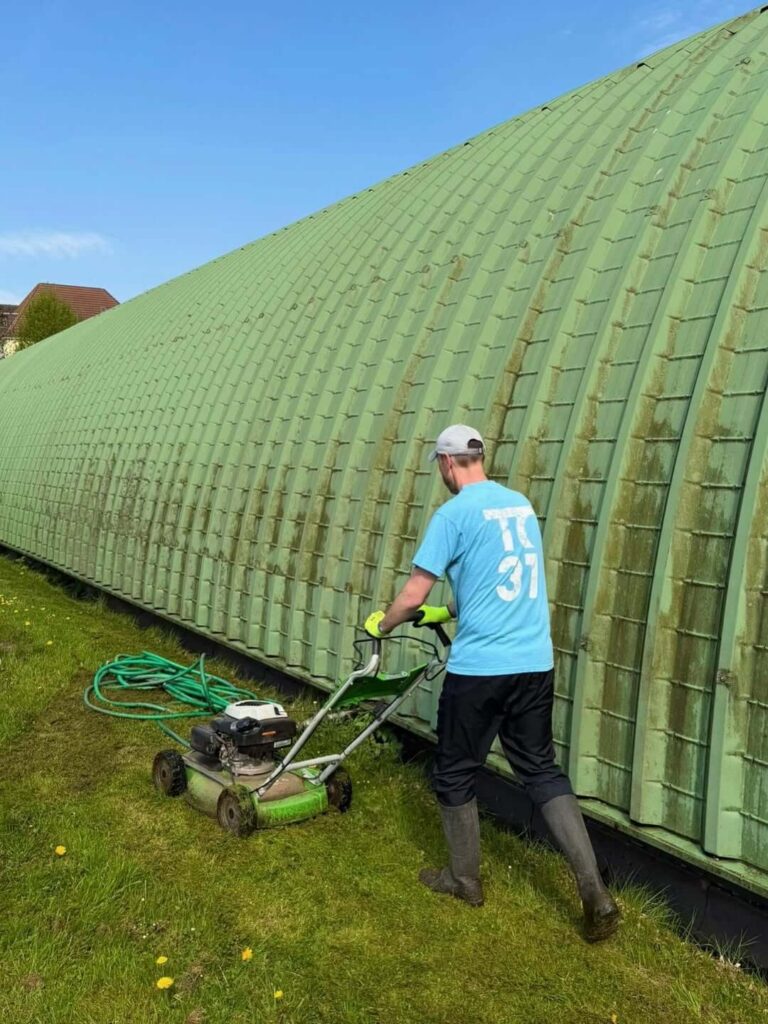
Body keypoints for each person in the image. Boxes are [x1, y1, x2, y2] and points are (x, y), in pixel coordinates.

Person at [364, 424, 620, 942]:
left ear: (446, 463)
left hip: (482, 670)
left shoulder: (452, 514)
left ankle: (463, 880)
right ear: (479, 457)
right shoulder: (519, 505)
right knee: (542, 771)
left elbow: (412, 594)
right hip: (534, 663)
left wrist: (384, 623)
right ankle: (595, 894)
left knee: (455, 770)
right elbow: (498, 577)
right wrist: (449, 609)